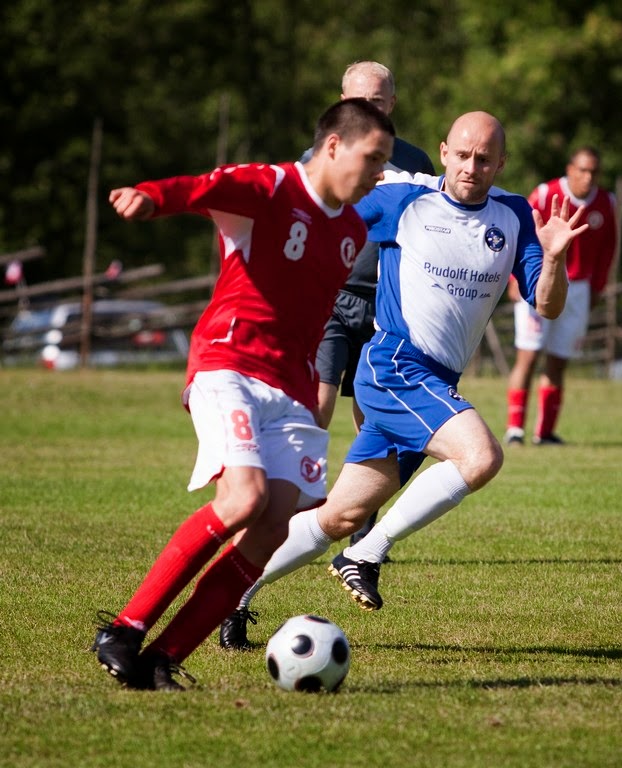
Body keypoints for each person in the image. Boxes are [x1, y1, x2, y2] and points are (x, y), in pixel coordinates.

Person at [203, 110, 588, 630]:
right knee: (481, 457)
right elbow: (320, 211)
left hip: (434, 385)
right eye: (463, 154)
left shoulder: (517, 216)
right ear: (444, 151)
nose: (472, 167)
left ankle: (232, 593)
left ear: (501, 163)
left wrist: (557, 259)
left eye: (485, 159)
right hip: (395, 369)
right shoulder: (403, 199)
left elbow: (548, 306)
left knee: (336, 517)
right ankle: (367, 554)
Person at [90, 98, 395, 691]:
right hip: (229, 360)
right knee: (244, 499)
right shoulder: (272, 186)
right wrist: (151, 196)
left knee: (276, 523)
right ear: (334, 146)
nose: (378, 173)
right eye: (372, 158)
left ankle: (159, 660)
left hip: (289, 386)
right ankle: (125, 630)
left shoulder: (353, 229)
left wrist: (308, 392)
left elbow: (309, 317)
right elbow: (201, 188)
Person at [218, 61, 435, 650]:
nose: (373, 108)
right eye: (361, 99)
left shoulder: (417, 162)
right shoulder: (319, 159)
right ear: (342, 102)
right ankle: (246, 574)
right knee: (307, 433)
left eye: (382, 101)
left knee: (389, 437)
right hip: (331, 309)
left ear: (393, 103)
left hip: (389, 315)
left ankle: (356, 531)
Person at [504, 146, 617, 445]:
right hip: (540, 282)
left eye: (593, 171)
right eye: (582, 169)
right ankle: (515, 429)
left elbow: (608, 250)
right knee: (527, 356)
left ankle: (545, 432)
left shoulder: (607, 202)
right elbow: (520, 233)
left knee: (558, 361)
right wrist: (516, 278)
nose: (588, 176)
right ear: (570, 169)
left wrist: (598, 287)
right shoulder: (545, 194)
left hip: (579, 290)